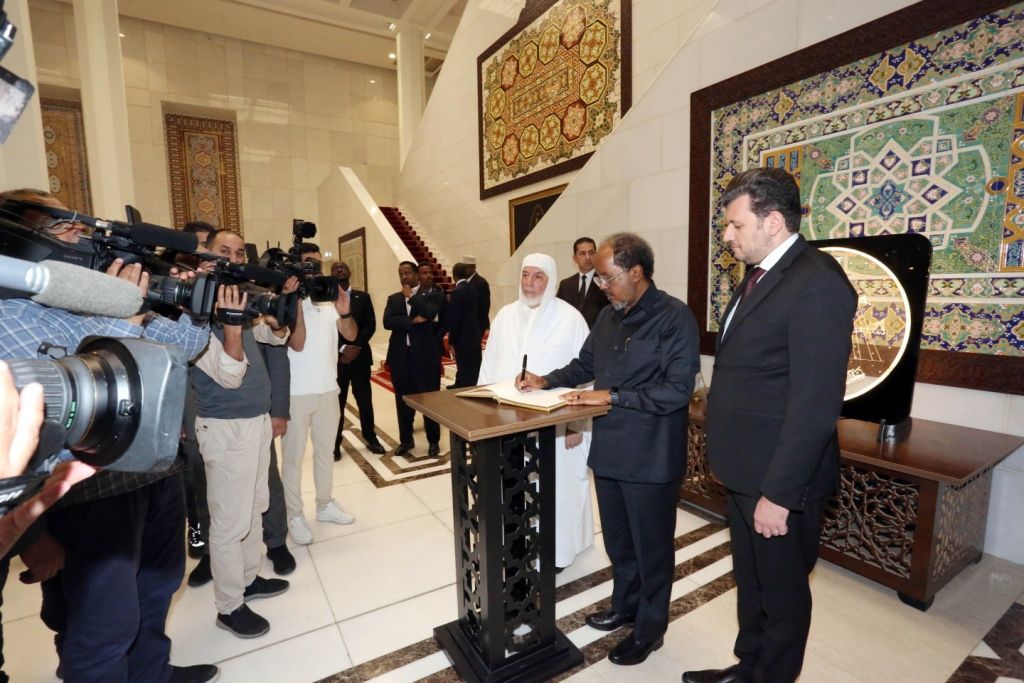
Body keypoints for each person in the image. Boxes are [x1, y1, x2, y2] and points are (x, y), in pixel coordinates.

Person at [0, 189, 218, 683]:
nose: (82, 236)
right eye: (65, 226)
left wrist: (187, 301)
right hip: (87, 498)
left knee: (157, 590)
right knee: (100, 628)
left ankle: (151, 673)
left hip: (154, 475)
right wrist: (33, 535)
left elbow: (186, 346)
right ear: (19, 238)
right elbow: (37, 422)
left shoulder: (93, 297)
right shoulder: (10, 312)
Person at [682, 168, 856, 683]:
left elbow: (815, 404)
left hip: (781, 481)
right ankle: (748, 668)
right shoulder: (761, 275)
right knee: (752, 580)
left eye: (735, 225)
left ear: (773, 221)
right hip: (745, 470)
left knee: (781, 595)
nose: (727, 236)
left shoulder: (816, 282)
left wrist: (779, 494)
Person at [518, 233, 700, 667]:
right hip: (611, 450)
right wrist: (546, 380)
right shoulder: (607, 316)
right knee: (619, 542)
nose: (601, 286)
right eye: (598, 279)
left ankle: (650, 629)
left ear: (635, 272)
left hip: (651, 456)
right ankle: (625, 606)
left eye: (607, 278)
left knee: (651, 549)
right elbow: (585, 365)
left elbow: (678, 390)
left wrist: (612, 396)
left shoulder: (674, 317)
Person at [190, 272, 294, 639]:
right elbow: (231, 374)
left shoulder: (237, 314)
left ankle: (248, 581)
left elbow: (272, 337)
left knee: (254, 507)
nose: (233, 265)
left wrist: (277, 324)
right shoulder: (194, 322)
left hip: (255, 422)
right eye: (225, 253)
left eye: (237, 256)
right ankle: (229, 606)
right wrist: (233, 325)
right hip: (225, 429)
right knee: (229, 523)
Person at [479, 253, 593, 569]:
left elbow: (586, 374)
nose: (529, 283)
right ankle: (518, 545)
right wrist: (484, 414)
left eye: (538, 276)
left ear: (551, 280)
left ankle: (559, 551)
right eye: (525, 274)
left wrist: (577, 424)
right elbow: (488, 369)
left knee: (558, 488)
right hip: (508, 423)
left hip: (558, 425)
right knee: (515, 487)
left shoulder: (570, 319)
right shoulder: (504, 316)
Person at [281, 244, 359, 546]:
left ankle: (324, 504)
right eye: (307, 264)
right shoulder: (287, 300)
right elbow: (296, 343)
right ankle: (294, 515)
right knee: (293, 459)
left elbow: (351, 334)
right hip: (297, 393)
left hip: (328, 389)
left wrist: (345, 311)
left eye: (316, 264)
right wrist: (295, 299)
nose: (313, 269)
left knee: (325, 453)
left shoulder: (328, 299)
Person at [382, 261, 445, 457]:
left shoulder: (433, 296)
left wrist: (412, 297)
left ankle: (433, 441)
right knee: (403, 402)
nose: (404, 277)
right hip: (401, 358)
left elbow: (430, 313)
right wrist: (411, 321)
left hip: (425, 359)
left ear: (417, 275)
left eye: (408, 273)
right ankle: (406, 440)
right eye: (401, 273)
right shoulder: (394, 299)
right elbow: (387, 322)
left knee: (430, 401)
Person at [331, 261, 386, 459]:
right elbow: (327, 329)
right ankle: (335, 443)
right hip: (337, 361)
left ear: (350, 272)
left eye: (343, 267)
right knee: (337, 403)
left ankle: (370, 438)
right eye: (335, 268)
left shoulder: (363, 297)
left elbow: (370, 325)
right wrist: (343, 349)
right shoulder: (326, 300)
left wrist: (356, 347)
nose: (339, 270)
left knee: (364, 401)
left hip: (360, 358)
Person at [556, 237, 609, 328]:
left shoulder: (607, 280)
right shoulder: (565, 284)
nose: (588, 257)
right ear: (575, 258)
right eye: (583, 253)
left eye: (591, 253)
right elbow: (558, 313)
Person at [444, 262, 482, 388]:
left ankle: (464, 387)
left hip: (462, 336)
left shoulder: (457, 292)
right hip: (474, 333)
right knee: (473, 365)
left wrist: (451, 340)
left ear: (454, 275)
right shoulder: (473, 288)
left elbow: (455, 318)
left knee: (464, 365)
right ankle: (462, 383)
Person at [463, 255, 490, 334]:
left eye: (466, 267)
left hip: (477, 324)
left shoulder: (481, 283)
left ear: (473, 267)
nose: (464, 270)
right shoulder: (464, 281)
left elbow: (484, 306)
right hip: (466, 323)